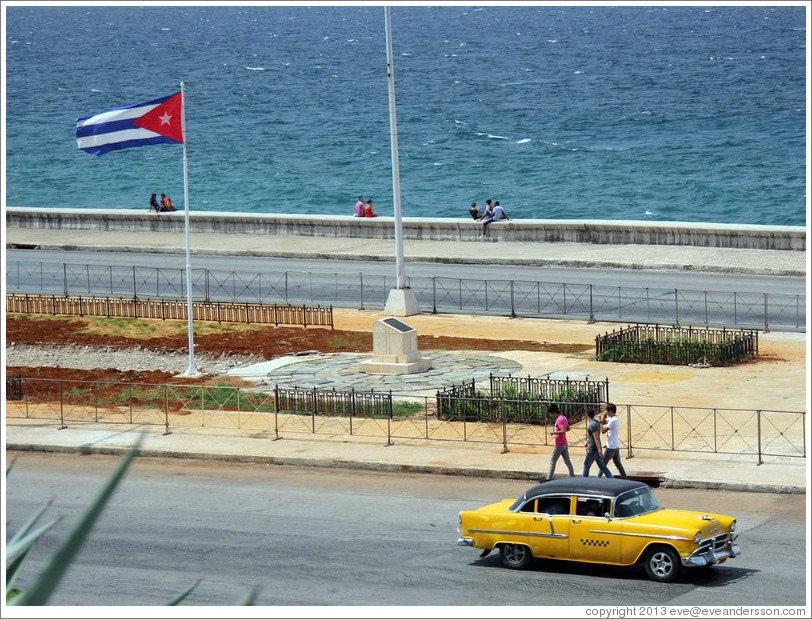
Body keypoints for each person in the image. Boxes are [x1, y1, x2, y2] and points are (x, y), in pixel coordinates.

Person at [542, 403, 575, 482]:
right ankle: (573, 477)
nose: (552, 416)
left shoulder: (559, 420)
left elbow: (563, 431)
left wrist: (554, 432)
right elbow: (568, 428)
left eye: (551, 414)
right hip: (564, 443)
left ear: (554, 413)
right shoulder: (564, 418)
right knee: (567, 461)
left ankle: (548, 478)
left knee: (553, 461)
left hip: (559, 444)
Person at [598, 402, 627, 479]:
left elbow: (603, 431)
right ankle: (624, 478)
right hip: (615, 445)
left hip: (610, 446)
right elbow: (604, 422)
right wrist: (604, 416)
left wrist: (599, 422)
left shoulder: (613, 420)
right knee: (618, 464)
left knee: (603, 464)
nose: (606, 412)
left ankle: (597, 479)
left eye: (607, 411)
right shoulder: (614, 418)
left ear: (610, 411)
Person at [582, 409, 613, 478]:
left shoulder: (591, 425)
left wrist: (599, 451)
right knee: (603, 467)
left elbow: (596, 438)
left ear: (587, 415)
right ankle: (611, 479)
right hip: (597, 448)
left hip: (593, 449)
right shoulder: (596, 422)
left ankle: (584, 482)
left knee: (586, 466)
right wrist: (588, 442)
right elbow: (592, 436)